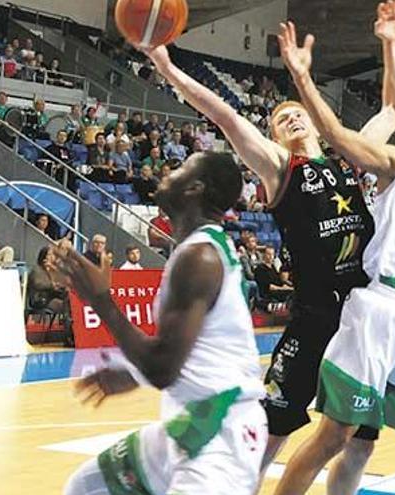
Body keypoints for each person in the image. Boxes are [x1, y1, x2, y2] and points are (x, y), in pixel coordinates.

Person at [143, 2, 395, 491]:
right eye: (279, 118)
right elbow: (223, 115)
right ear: (273, 137)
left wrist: (391, 43)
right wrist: (167, 68)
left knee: (359, 441)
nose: (290, 119)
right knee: (270, 435)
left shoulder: (348, 160)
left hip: (364, 319)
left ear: (312, 120)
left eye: (296, 113)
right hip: (313, 317)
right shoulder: (279, 168)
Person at [272, 14, 395, 495]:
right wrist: (302, 77)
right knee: (333, 435)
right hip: (379, 306)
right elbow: (341, 132)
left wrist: (393, 42)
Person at [59, 151, 267, 495]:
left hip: (221, 436)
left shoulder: (199, 258)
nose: (169, 173)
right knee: (87, 487)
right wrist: (133, 373)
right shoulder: (202, 249)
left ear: (194, 188)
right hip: (189, 424)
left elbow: (162, 369)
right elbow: (195, 346)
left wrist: (101, 301)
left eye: (181, 168)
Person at [27, 246, 67, 314]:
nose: (52, 256)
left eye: (53, 254)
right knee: (63, 306)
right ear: (44, 256)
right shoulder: (37, 270)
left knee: (68, 303)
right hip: (41, 299)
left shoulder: (53, 270)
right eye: (50, 254)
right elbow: (38, 284)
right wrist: (52, 285)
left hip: (52, 296)